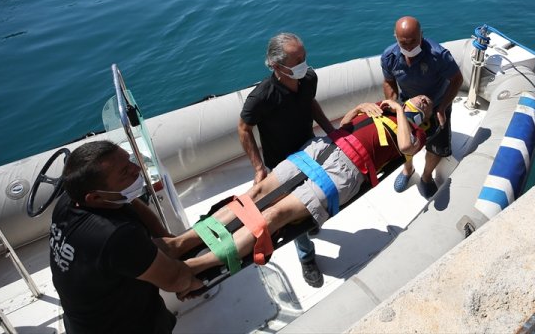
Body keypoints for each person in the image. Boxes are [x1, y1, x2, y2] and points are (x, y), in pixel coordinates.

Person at [166, 95, 433, 276]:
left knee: (274, 215)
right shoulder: (380, 108)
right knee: (255, 194)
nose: (424, 99)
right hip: (323, 148)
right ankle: (181, 242)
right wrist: (363, 106)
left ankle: (194, 266)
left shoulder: (415, 132)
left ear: (425, 117)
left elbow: (405, 147)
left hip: (347, 170)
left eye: (428, 104)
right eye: (421, 96)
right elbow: (345, 123)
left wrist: (399, 110)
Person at [49, 141, 203, 334]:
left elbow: (130, 203)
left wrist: (164, 236)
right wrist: (193, 280)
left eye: (129, 160)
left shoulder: (70, 201)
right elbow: (177, 280)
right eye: (124, 172)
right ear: (94, 197)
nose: (137, 168)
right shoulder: (115, 236)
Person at [237, 32, 335, 287]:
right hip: (282, 164)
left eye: (304, 56)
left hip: (309, 152)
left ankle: (311, 223)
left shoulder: (309, 78)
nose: (304, 63)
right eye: (297, 60)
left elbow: (310, 103)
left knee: (315, 197)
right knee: (293, 217)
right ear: (277, 66)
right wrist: (259, 168)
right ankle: (307, 258)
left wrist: (330, 131)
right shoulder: (262, 96)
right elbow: (243, 128)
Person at [381, 16, 463, 198]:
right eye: (404, 43)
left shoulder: (439, 55)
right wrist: (393, 105)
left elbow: (457, 80)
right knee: (403, 143)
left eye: (413, 42)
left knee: (436, 147)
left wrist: (442, 107)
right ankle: (408, 170)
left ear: (422, 35)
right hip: (408, 106)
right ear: (395, 38)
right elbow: (389, 82)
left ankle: (426, 177)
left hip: (437, 106)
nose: (409, 47)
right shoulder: (389, 57)